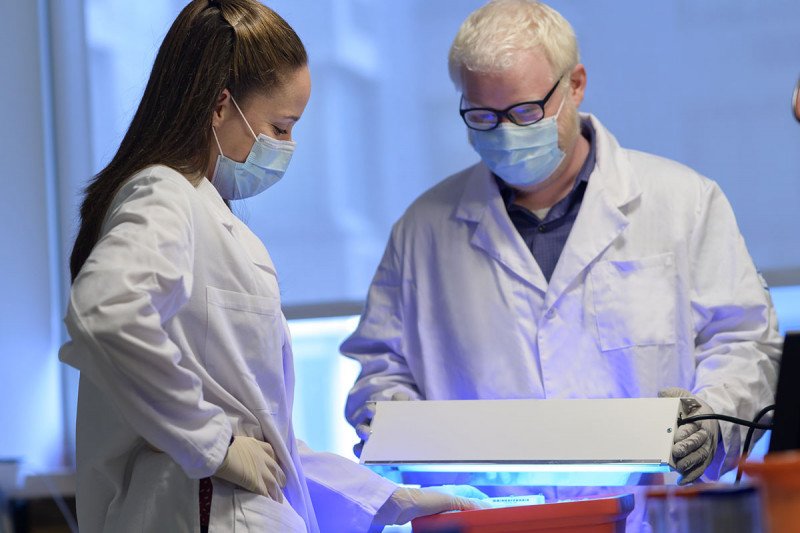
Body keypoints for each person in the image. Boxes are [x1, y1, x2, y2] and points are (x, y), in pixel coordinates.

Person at [59, 1, 489, 531]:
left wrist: (392, 498)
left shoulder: (207, 212)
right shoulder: (165, 196)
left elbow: (265, 441)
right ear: (219, 106)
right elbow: (107, 313)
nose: (287, 146)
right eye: (280, 127)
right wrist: (211, 442)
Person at [343, 0, 780, 499]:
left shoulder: (684, 203)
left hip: (648, 513)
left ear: (575, 85)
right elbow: (381, 370)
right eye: (482, 116)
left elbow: (744, 342)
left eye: (525, 111)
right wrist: (396, 426)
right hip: (491, 516)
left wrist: (713, 418)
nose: (505, 133)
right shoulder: (423, 229)